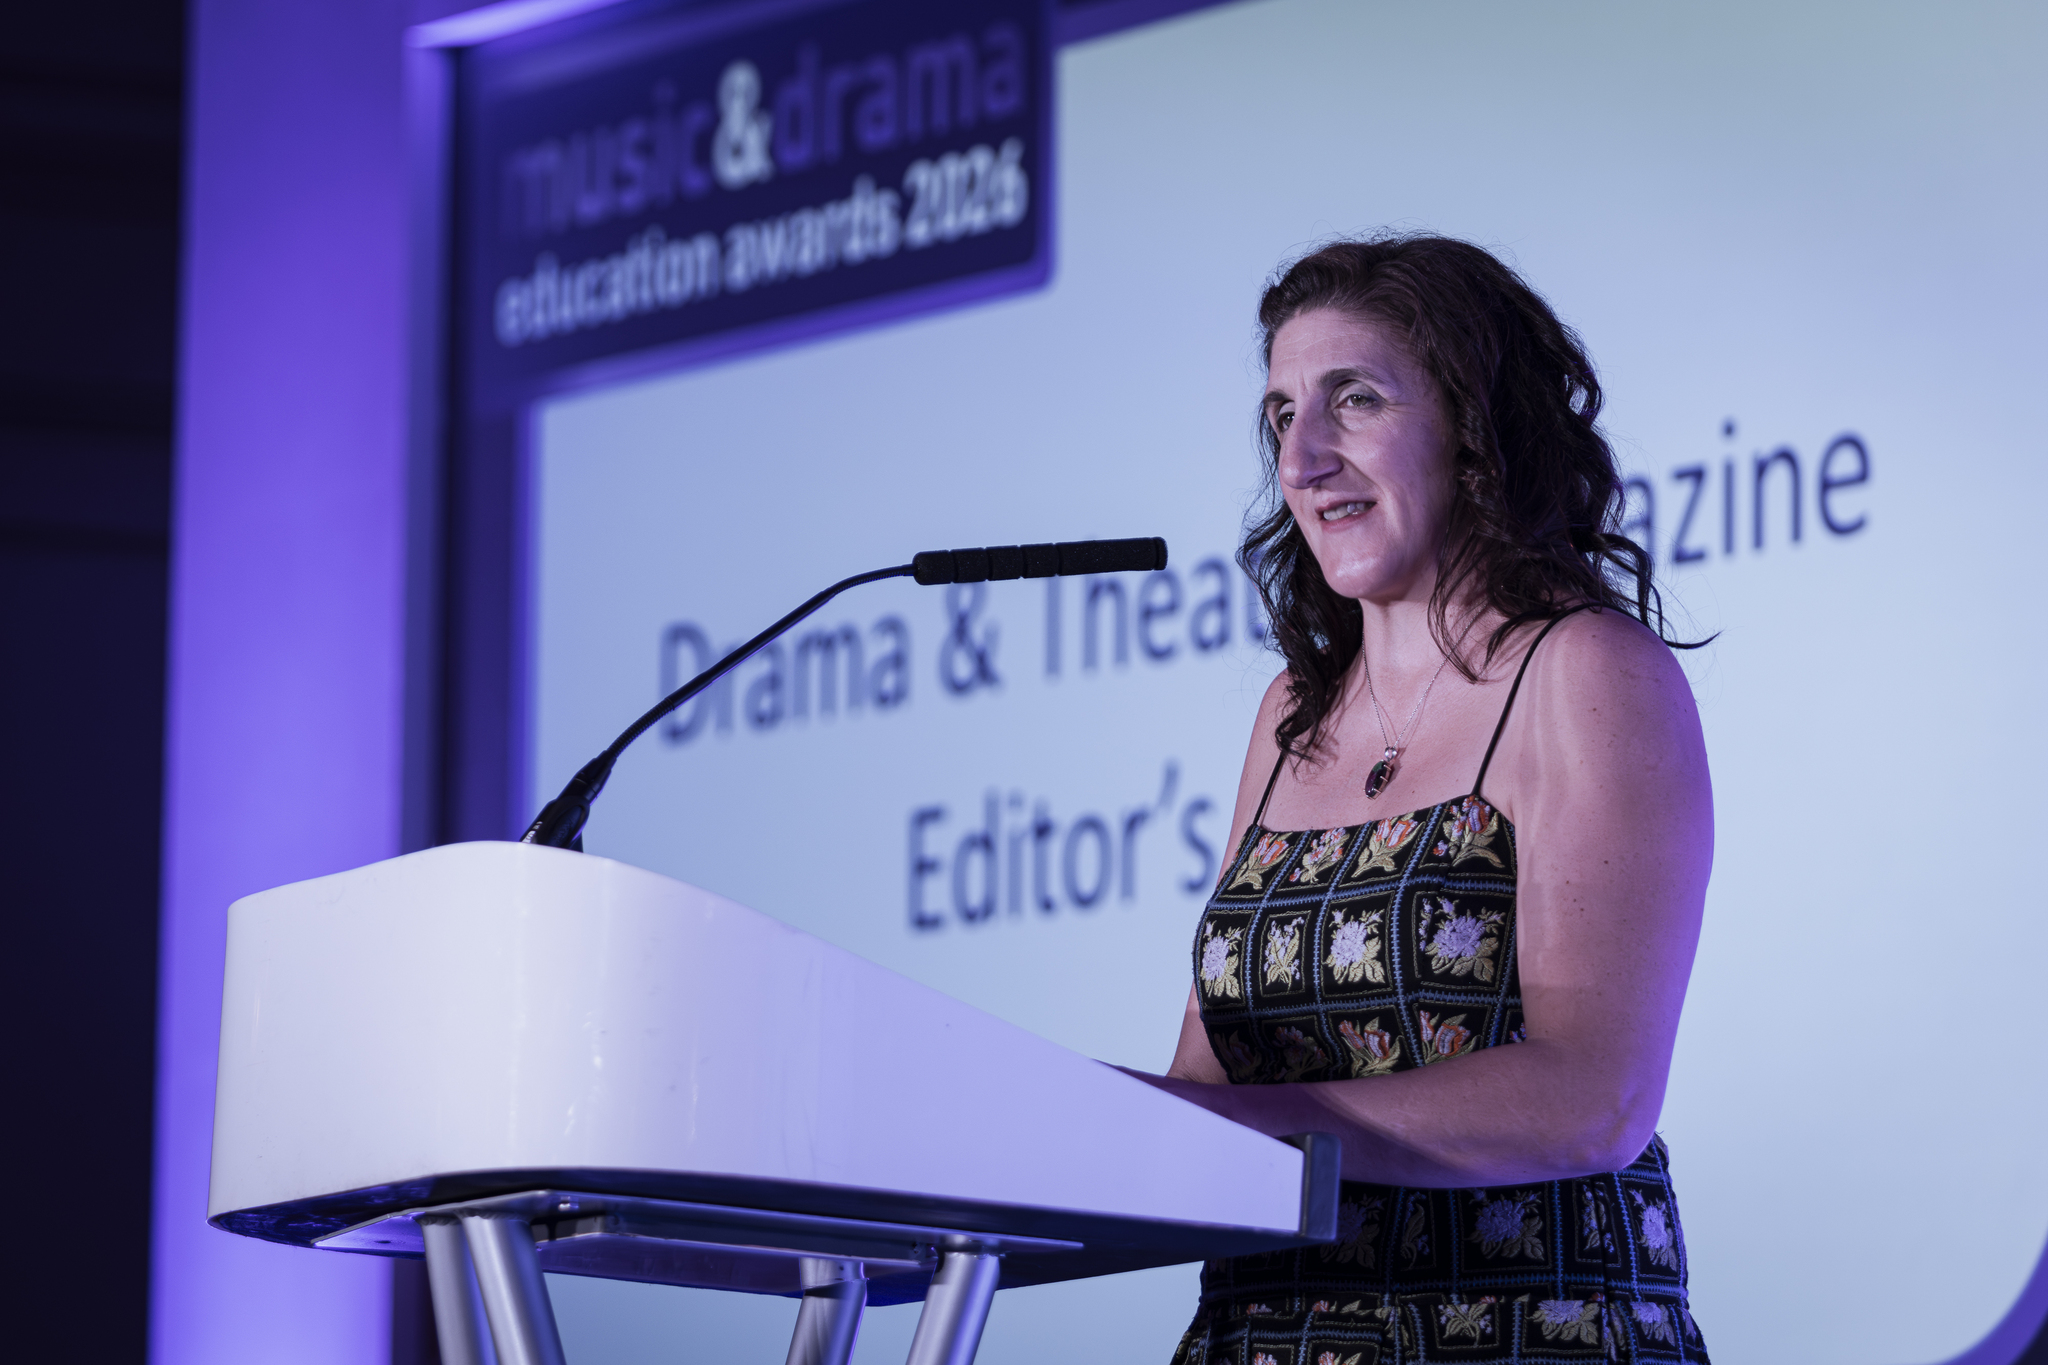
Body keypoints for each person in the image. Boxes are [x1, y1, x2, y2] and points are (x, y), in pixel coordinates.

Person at [1126, 236, 1714, 1364]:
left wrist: (1256, 1131)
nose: (1302, 458)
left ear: (1474, 427)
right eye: (1280, 414)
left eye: (1353, 399)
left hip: (1518, 1335)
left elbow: (1592, 1096)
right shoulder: (1290, 714)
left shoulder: (1585, 672)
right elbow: (1211, 1083)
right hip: (1263, 1334)